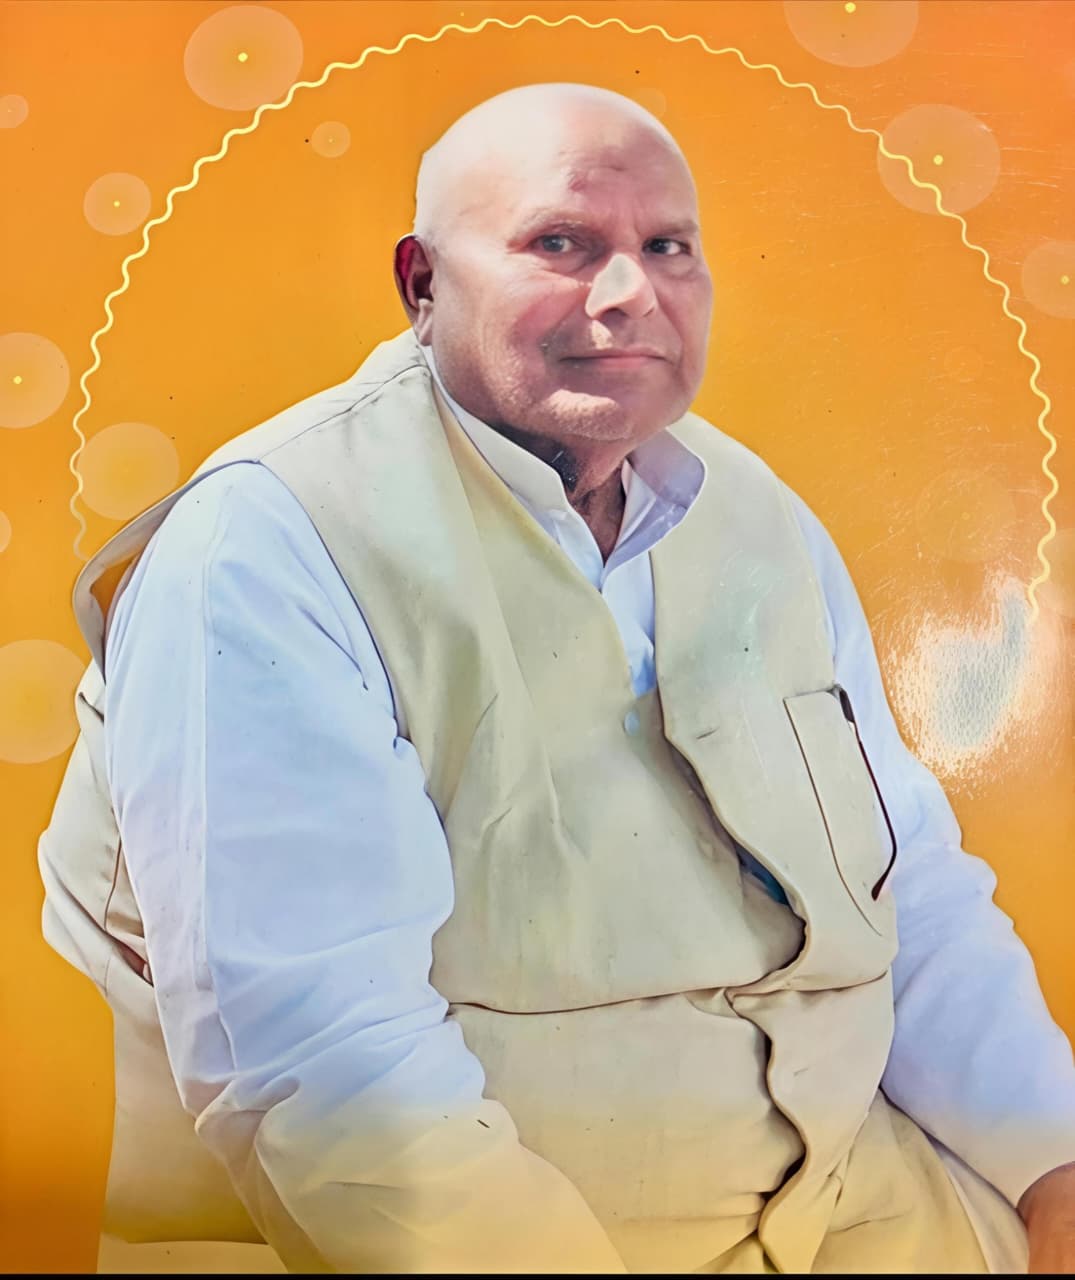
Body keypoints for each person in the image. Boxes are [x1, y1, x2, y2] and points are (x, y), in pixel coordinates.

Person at [38, 82, 1075, 1275]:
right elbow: (326, 1066)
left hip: (857, 1202)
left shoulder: (756, 517)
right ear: (422, 283)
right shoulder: (268, 544)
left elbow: (911, 889)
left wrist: (1051, 1169)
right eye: (561, 243)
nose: (631, 292)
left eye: (667, 247)